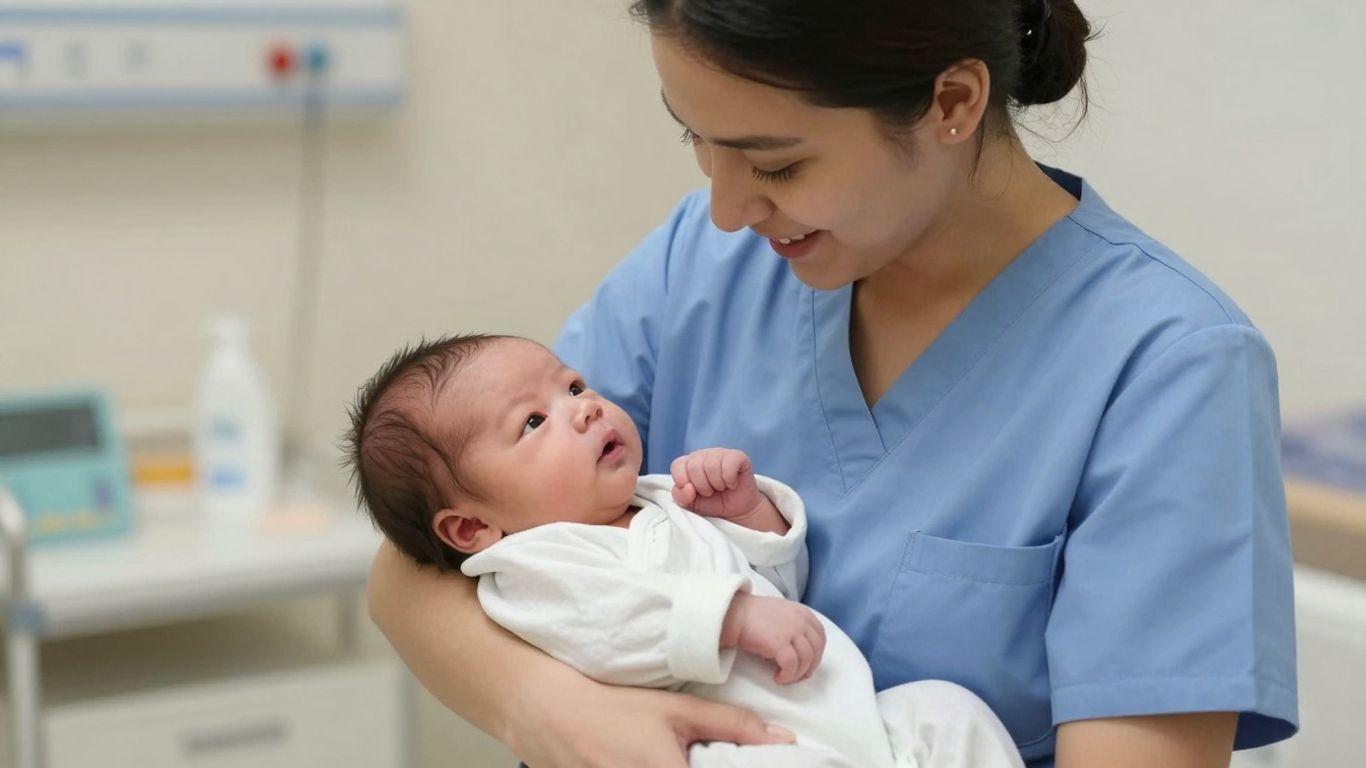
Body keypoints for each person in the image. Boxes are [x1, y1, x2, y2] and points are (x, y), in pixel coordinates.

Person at [364, 1, 1300, 766]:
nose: (729, 209)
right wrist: (553, 710)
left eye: (778, 162)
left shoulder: (1168, 365)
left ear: (953, 102)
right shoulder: (704, 264)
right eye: (696, 136)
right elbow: (419, 564)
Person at [344, 333, 1025, 768]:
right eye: (532, 421)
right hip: (727, 747)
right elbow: (609, 626)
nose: (583, 408)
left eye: (574, 386)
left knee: (945, 709)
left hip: (843, 718)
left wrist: (749, 515)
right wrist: (731, 620)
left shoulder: (660, 496)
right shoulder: (532, 568)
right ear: (472, 530)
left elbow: (776, 593)